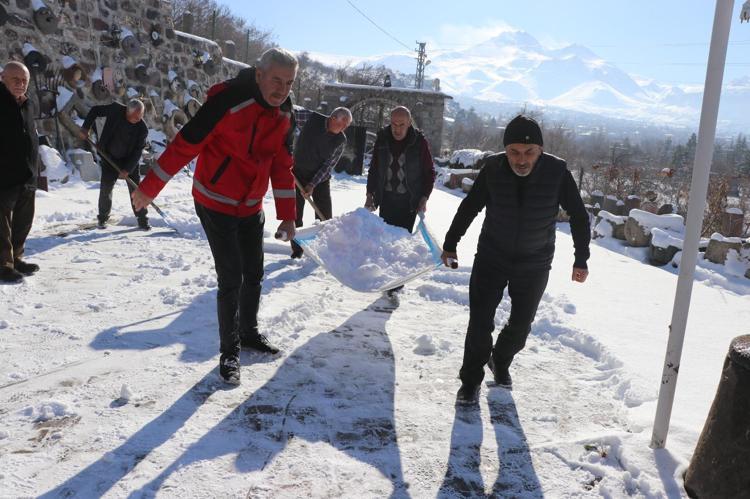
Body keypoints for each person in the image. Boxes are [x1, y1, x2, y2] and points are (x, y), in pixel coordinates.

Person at [132, 48, 298, 385]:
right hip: (214, 200)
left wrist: (288, 215)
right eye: (276, 80)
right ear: (259, 75)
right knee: (231, 277)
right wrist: (149, 188)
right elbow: (186, 143)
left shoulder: (284, 114)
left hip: (251, 205)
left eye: (289, 83)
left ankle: (249, 332)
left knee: (254, 273)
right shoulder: (228, 101)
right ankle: (229, 352)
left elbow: (282, 166)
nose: (282, 89)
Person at [441, 115, 591, 404]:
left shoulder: (557, 172)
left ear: (540, 150)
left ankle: (500, 359)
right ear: (505, 150)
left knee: (521, 325)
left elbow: (579, 216)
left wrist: (581, 258)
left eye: (529, 152)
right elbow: (470, 207)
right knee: (480, 323)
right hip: (492, 256)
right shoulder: (493, 168)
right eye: (514, 152)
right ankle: (470, 382)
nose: (521, 160)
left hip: (534, 261)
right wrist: (450, 244)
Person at [365, 106, 435, 298]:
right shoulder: (382, 138)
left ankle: (396, 285)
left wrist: (424, 196)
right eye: (394, 124)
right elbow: (374, 168)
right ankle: (387, 281)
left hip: (409, 200)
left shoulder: (419, 142)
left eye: (401, 124)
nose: (397, 129)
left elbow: (429, 172)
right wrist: (370, 194)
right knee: (386, 241)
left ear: (409, 123)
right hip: (386, 197)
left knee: (401, 243)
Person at [290, 106, 352, 258]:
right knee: (295, 214)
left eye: (346, 126)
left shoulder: (340, 140)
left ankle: (323, 251)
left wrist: (312, 184)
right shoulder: (311, 118)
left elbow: (328, 166)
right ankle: (297, 251)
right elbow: (288, 116)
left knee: (324, 217)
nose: (344, 128)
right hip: (297, 172)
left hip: (320, 179)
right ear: (333, 118)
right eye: (342, 124)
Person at [79, 99, 150, 230]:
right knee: (106, 188)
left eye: (140, 116)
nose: (139, 119)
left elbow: (138, 151)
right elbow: (95, 110)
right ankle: (102, 218)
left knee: (136, 190)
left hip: (129, 160)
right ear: (128, 112)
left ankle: (142, 219)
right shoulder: (115, 109)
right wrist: (85, 127)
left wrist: (127, 169)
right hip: (109, 156)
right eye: (136, 117)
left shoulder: (142, 129)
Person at [0, 61, 40, 283]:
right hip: (4, 173)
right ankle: (3, 266)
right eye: (15, 79)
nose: (20, 84)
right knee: (2, 224)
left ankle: (16, 258)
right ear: (2, 78)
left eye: (24, 80)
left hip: (27, 172)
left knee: (23, 221)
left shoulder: (27, 104)